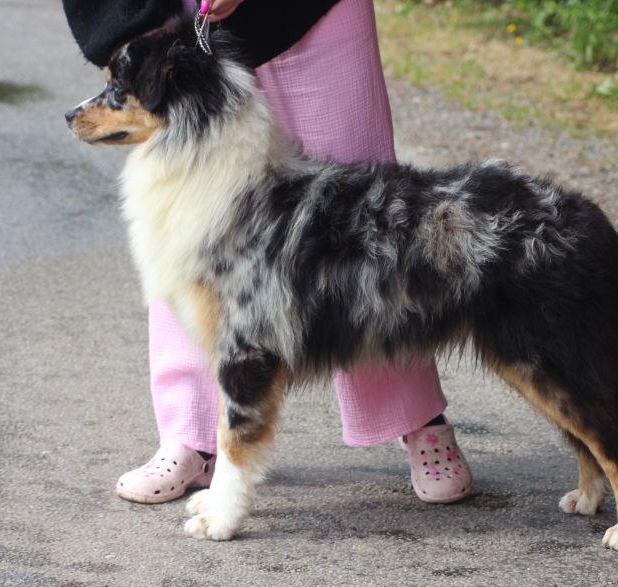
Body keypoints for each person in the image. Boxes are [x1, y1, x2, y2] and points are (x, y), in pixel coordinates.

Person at [61, 0, 474, 506]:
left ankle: (415, 415)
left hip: (317, 11)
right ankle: (191, 435)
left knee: (370, 216)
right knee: (190, 233)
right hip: (178, 12)